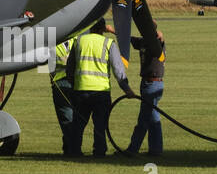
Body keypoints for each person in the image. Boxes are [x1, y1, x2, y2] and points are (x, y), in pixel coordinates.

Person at [68, 20, 132, 157]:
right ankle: (99, 152)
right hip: (101, 92)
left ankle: (74, 151)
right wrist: (127, 89)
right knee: (100, 125)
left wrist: (73, 85)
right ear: (103, 29)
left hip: (80, 90)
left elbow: (70, 68)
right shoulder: (109, 44)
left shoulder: (79, 41)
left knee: (78, 125)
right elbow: (118, 70)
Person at [50, 26, 90, 157]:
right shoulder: (72, 41)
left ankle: (71, 147)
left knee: (72, 118)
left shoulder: (72, 41)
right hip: (64, 82)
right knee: (69, 118)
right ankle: (72, 148)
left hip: (71, 82)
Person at [126, 25, 166, 156]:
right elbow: (130, 39)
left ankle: (133, 149)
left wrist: (160, 34)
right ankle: (156, 150)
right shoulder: (143, 41)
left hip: (153, 84)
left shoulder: (156, 43)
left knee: (143, 119)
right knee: (153, 119)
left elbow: (160, 39)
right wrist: (113, 30)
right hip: (147, 83)